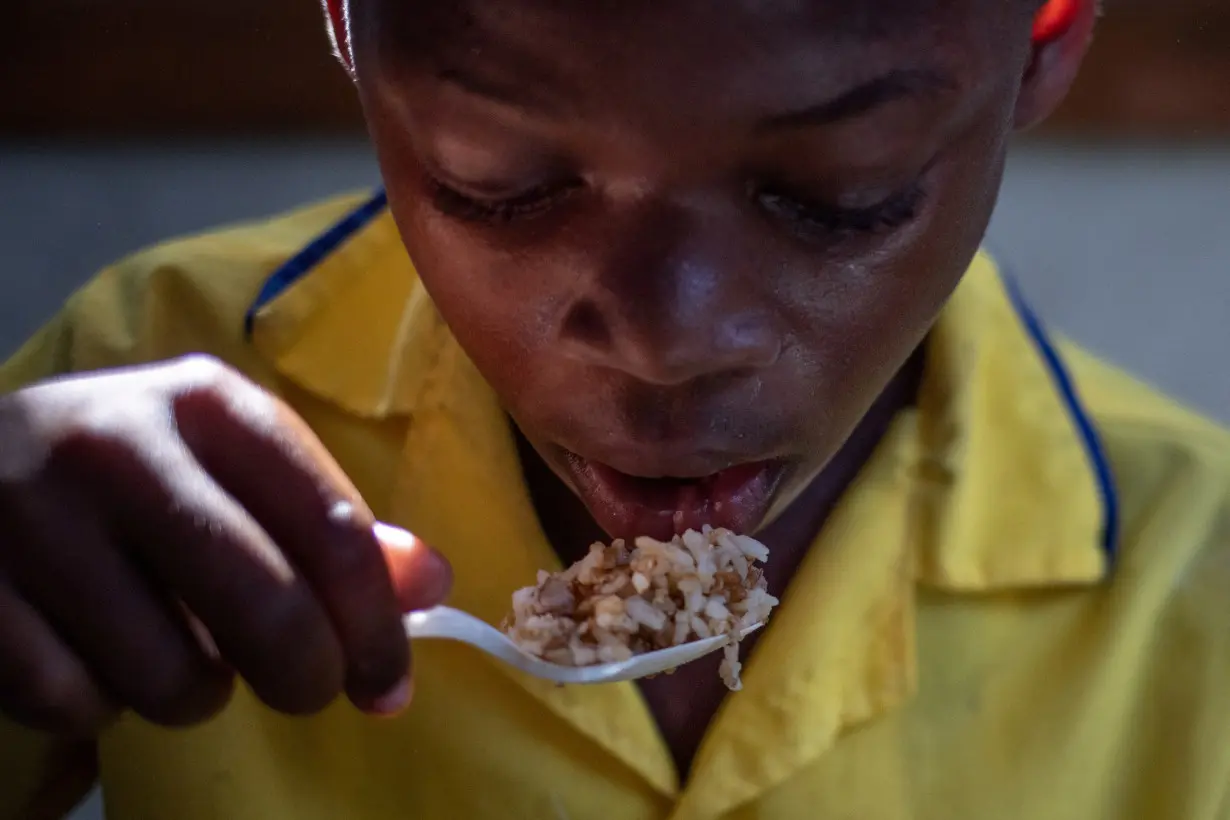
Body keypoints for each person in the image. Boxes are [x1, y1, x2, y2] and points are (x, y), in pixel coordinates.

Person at [1, 0, 1227, 817]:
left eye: (840, 196)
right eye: (502, 182)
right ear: (344, 22)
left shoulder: (1199, 597)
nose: (666, 342)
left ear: (1045, 29)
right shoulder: (131, 395)